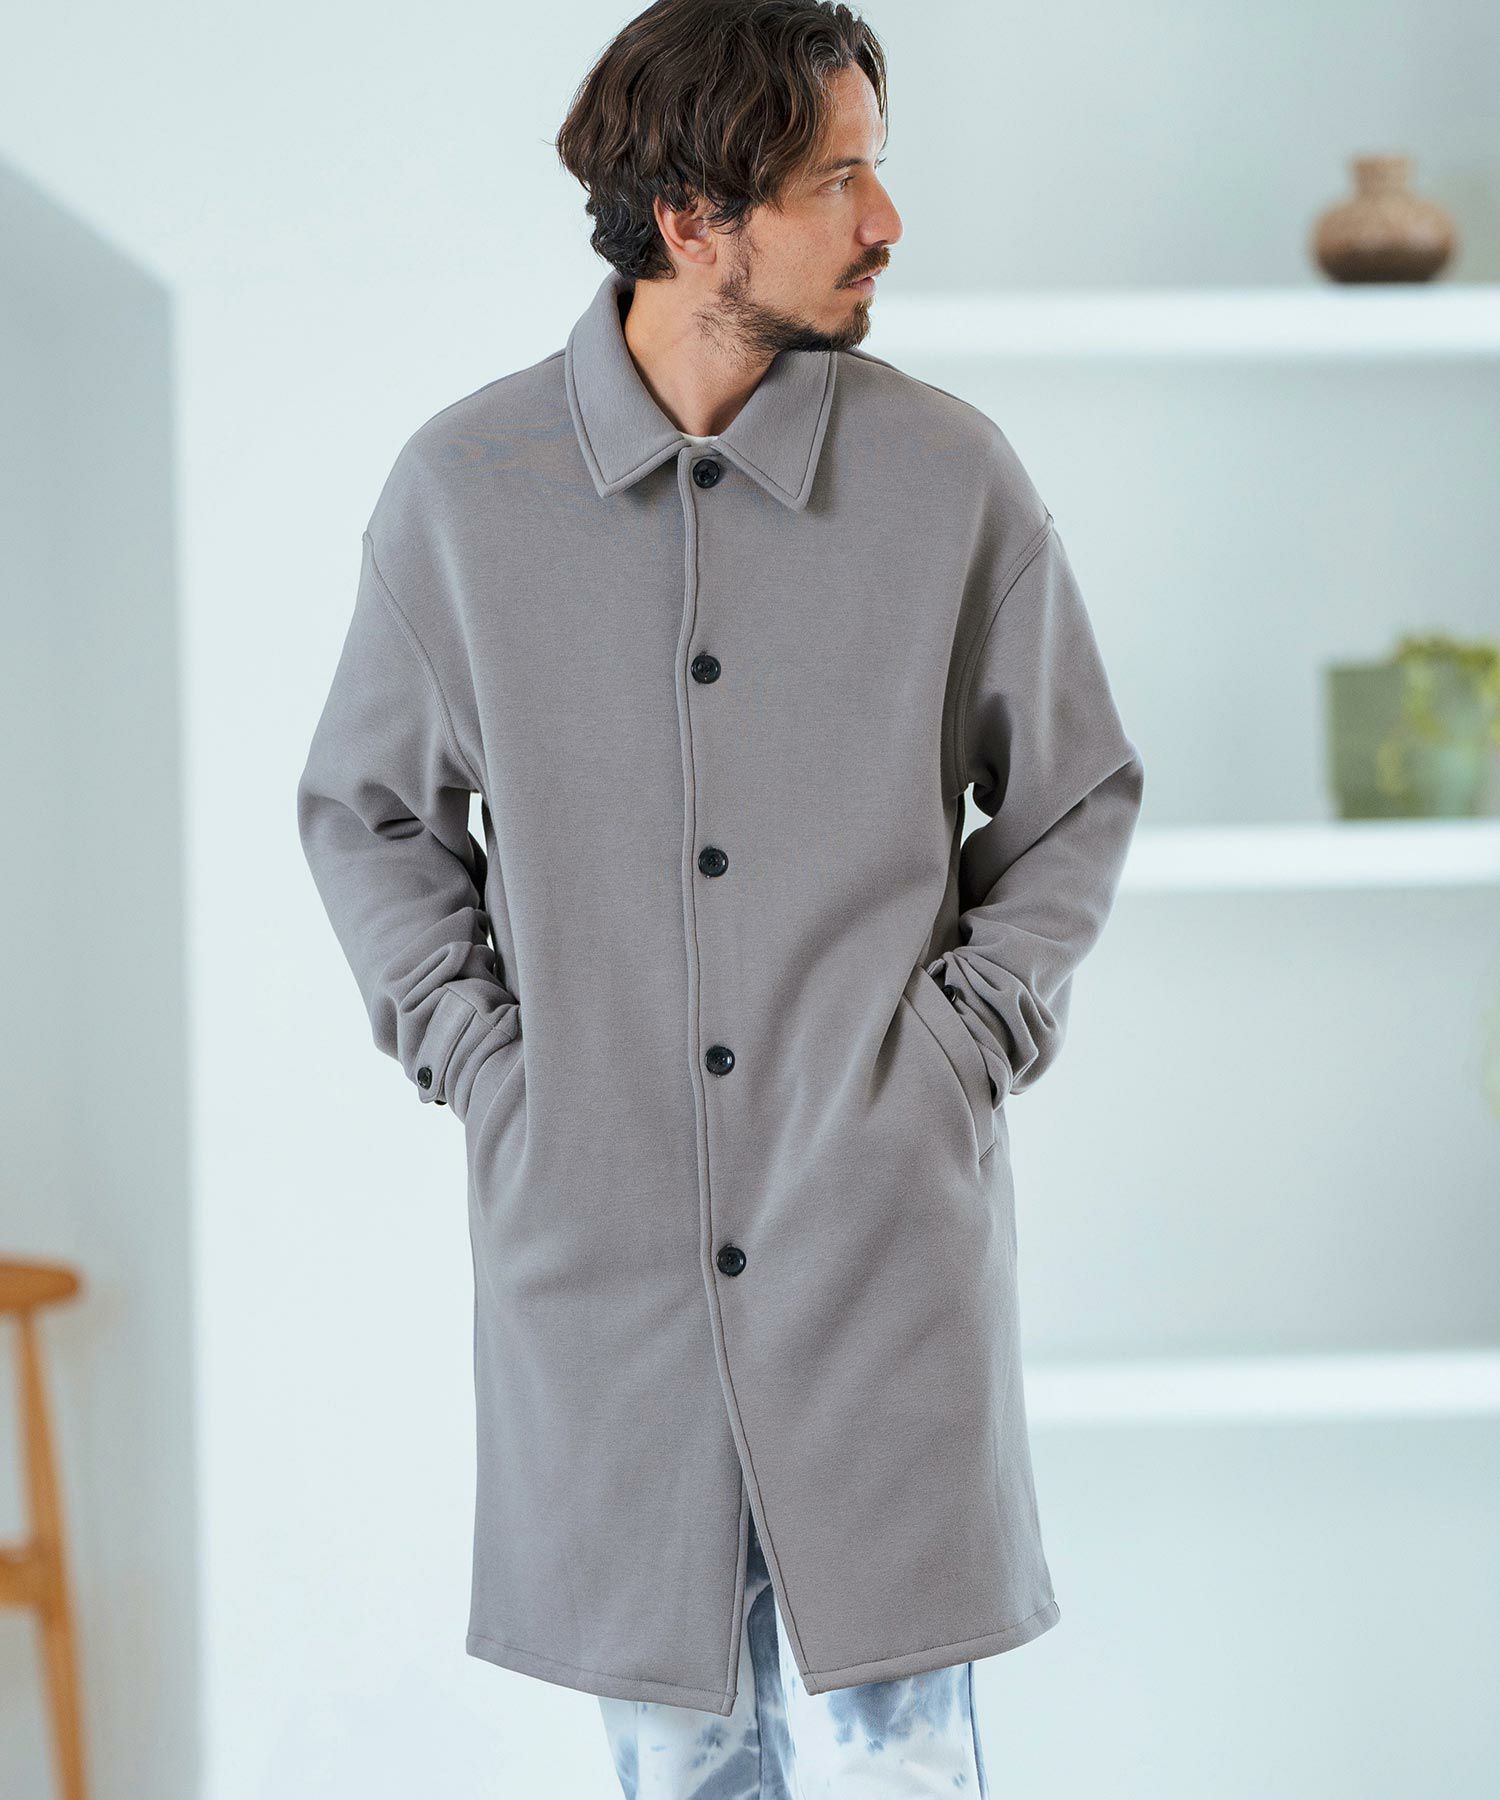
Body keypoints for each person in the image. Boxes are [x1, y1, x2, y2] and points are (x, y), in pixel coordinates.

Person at [295, 2, 1145, 1793]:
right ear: (693, 221)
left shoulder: (951, 482)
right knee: (674, 1766)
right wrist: (489, 1067)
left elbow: (1073, 795)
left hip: (880, 1259)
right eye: (838, 181)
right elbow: (369, 818)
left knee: (906, 1764)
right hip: (601, 1273)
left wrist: (960, 1049)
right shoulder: (466, 492)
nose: (884, 222)